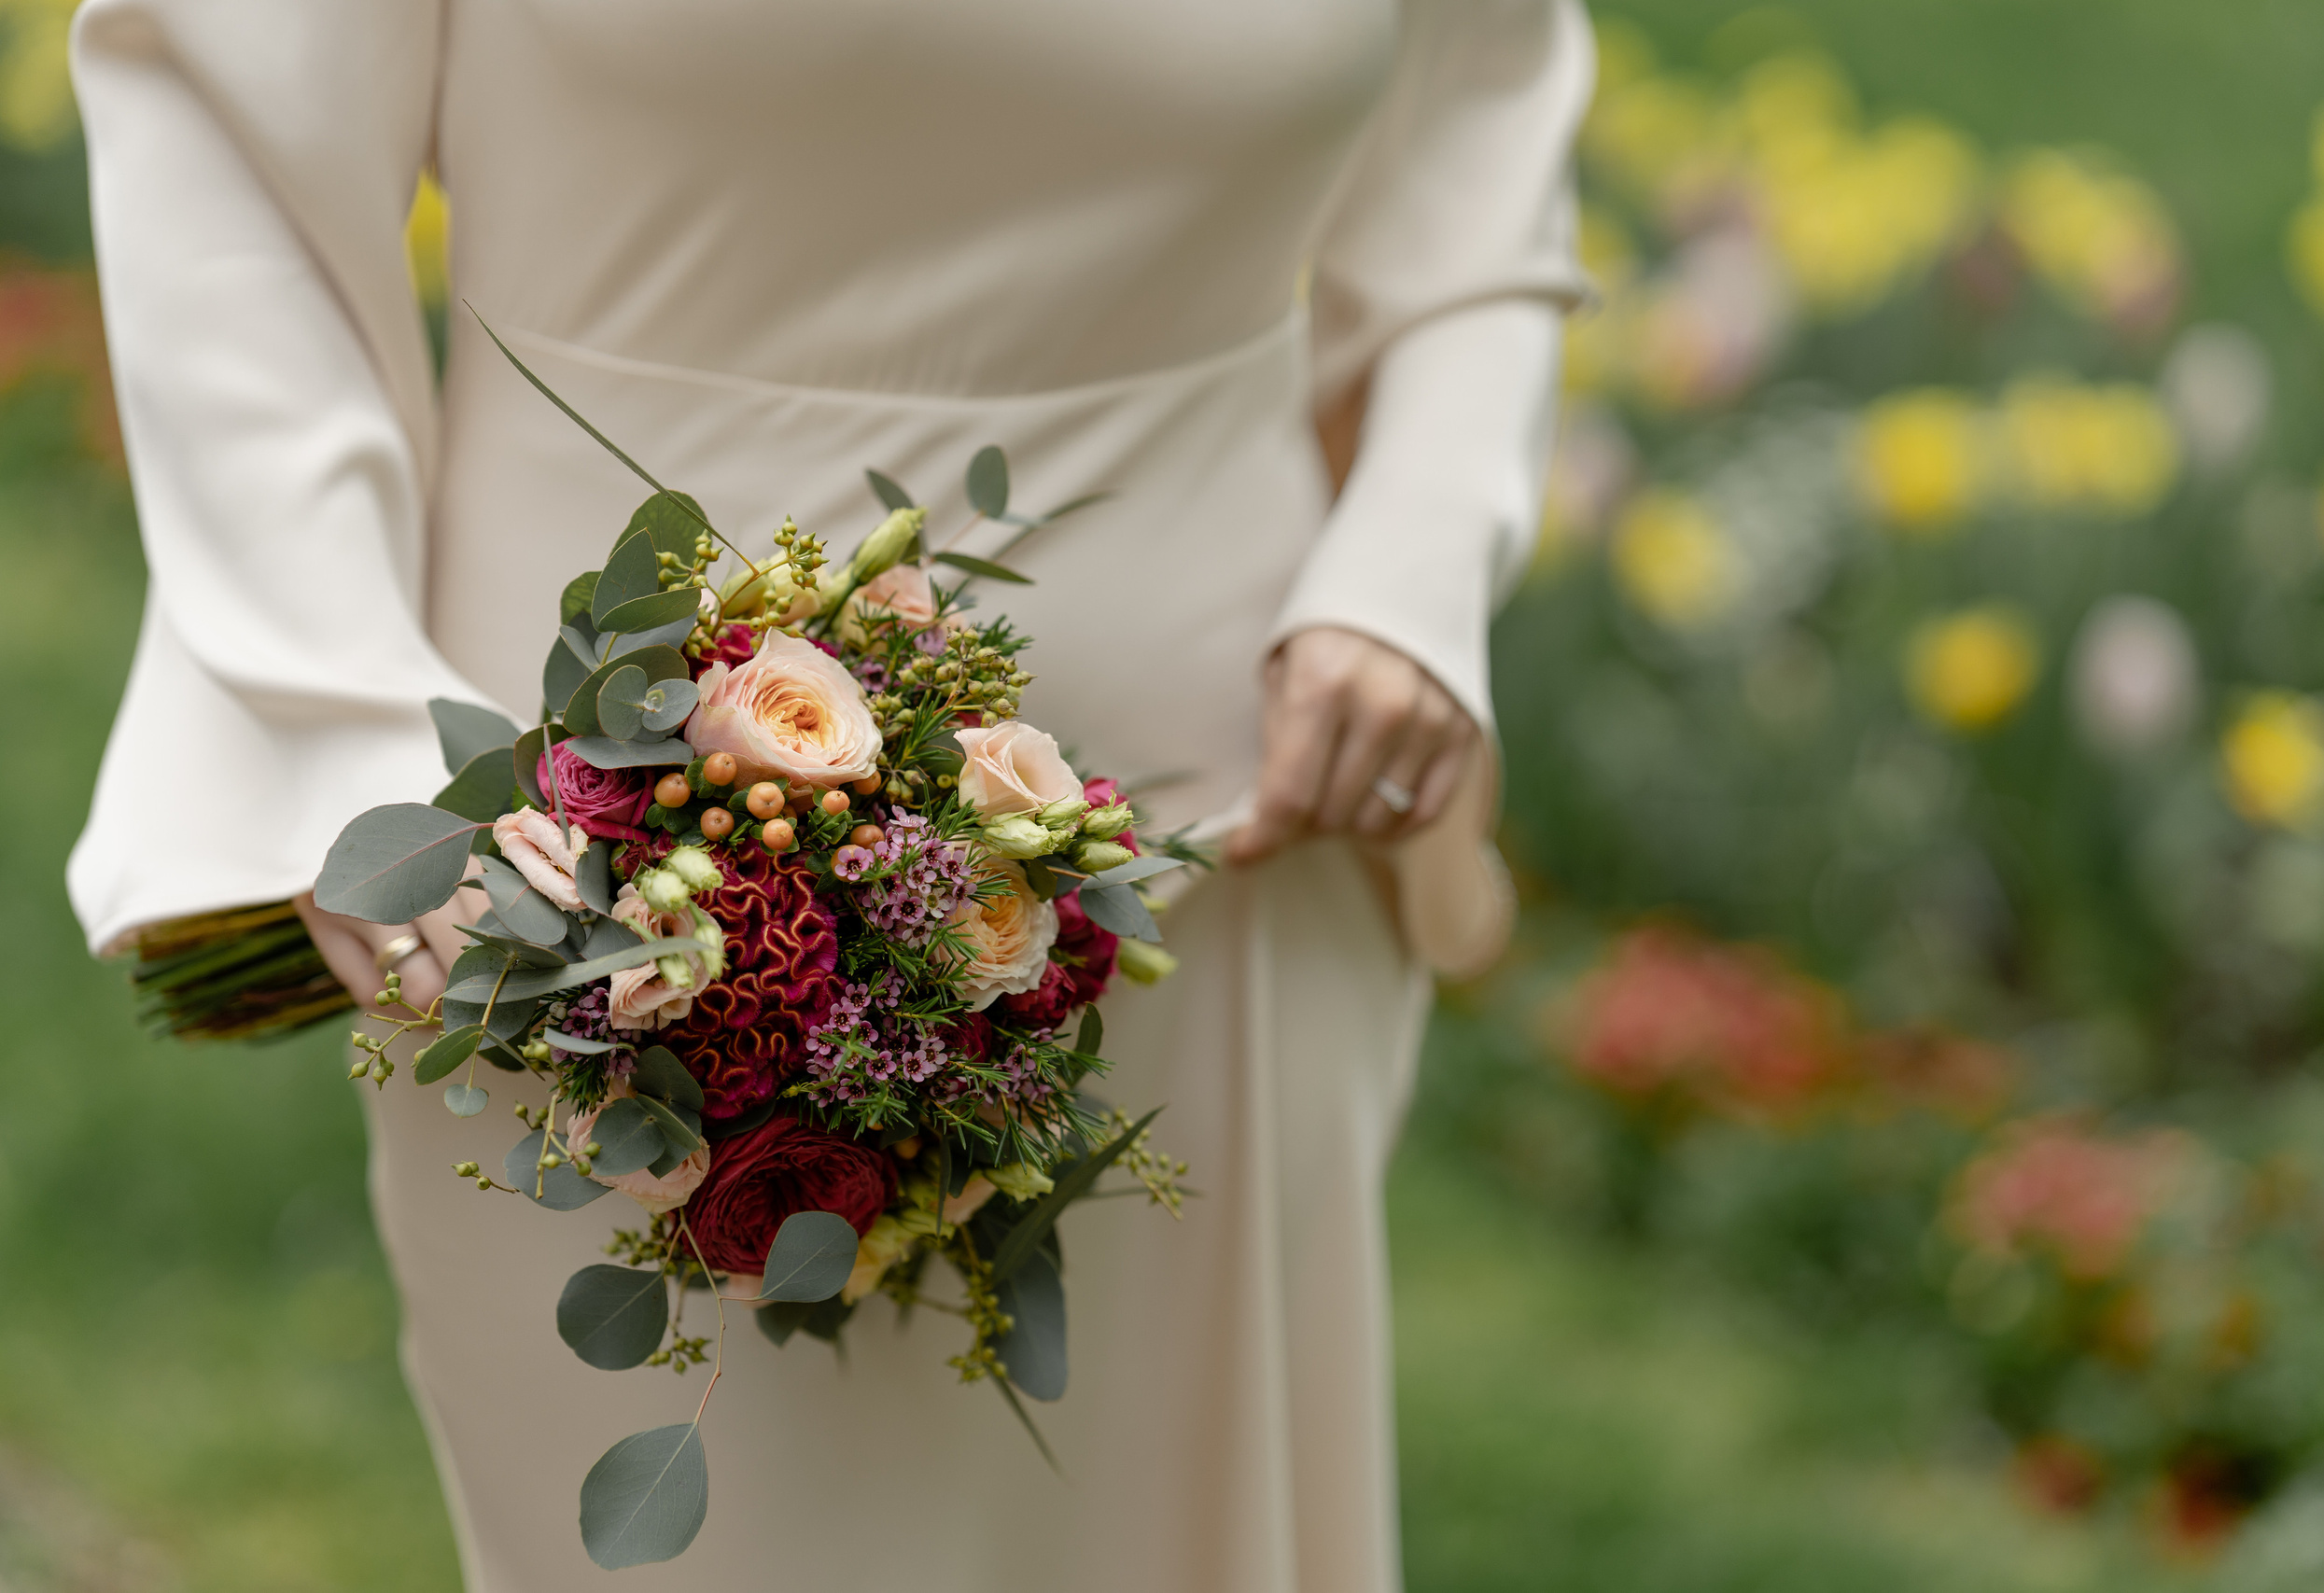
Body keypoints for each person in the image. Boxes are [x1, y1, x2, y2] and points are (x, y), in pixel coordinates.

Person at [66, 3, 1588, 1588]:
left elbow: (1477, 147)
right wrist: (344, 724)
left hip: (1236, 835)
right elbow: (229, 132)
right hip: (592, 890)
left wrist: (1414, 559)